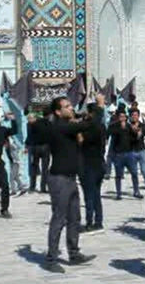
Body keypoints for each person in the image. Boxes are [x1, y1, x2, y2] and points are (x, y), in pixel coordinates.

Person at [43, 95, 104, 274]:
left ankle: (74, 253)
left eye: (71, 105)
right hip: (59, 179)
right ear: (58, 111)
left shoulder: (67, 126)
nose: (71, 108)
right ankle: (51, 259)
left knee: (74, 217)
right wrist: (99, 106)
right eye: (67, 106)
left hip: (70, 178)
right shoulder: (60, 126)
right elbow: (90, 125)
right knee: (59, 219)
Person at [78, 103, 106, 233]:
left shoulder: (89, 127)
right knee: (96, 195)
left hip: (89, 163)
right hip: (99, 163)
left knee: (89, 195)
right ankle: (98, 221)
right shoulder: (101, 126)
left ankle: (90, 222)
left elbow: (81, 141)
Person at [109, 110, 143, 199]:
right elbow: (110, 133)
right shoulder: (114, 126)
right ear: (118, 117)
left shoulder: (129, 126)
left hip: (129, 153)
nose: (123, 119)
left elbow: (134, 138)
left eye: (124, 117)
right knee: (118, 175)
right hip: (118, 154)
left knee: (134, 173)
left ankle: (136, 191)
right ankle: (118, 193)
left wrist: (137, 133)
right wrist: (120, 127)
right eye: (121, 117)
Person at [28, 109, 52, 193]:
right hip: (45, 147)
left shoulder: (35, 123)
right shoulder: (50, 124)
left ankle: (32, 186)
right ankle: (43, 188)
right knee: (45, 168)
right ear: (49, 115)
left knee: (34, 167)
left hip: (35, 147)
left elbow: (30, 135)